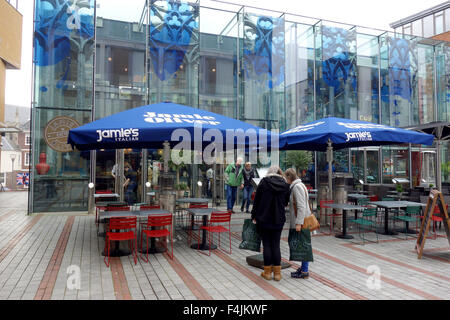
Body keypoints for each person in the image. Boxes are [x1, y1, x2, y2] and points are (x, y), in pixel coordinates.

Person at [251, 166, 290, 281]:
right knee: (276, 245)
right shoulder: (284, 184)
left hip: (264, 218)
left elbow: (256, 201)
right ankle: (277, 274)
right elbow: (286, 202)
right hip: (279, 219)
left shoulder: (263, 182)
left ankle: (267, 273)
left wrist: (254, 215)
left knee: (267, 245)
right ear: (279, 172)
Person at [284, 168, 313, 279]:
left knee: (303, 245)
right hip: (303, 219)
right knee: (303, 244)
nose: (285, 180)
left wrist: (298, 223)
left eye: (286, 178)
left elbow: (301, 206)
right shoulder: (300, 185)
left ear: (289, 177)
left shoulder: (296, 187)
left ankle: (304, 271)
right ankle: (303, 268)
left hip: (302, 221)